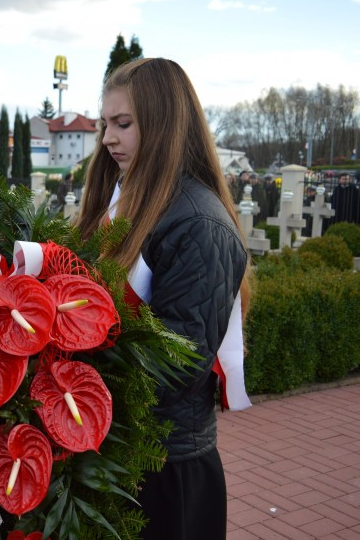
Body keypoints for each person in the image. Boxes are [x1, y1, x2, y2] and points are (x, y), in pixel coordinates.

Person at [76, 58, 250, 540]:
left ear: (165, 124)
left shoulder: (198, 223)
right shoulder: (127, 199)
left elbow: (177, 363)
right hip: (117, 448)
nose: (108, 139)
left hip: (166, 466)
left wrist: (68, 370)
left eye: (123, 124)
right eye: (105, 124)